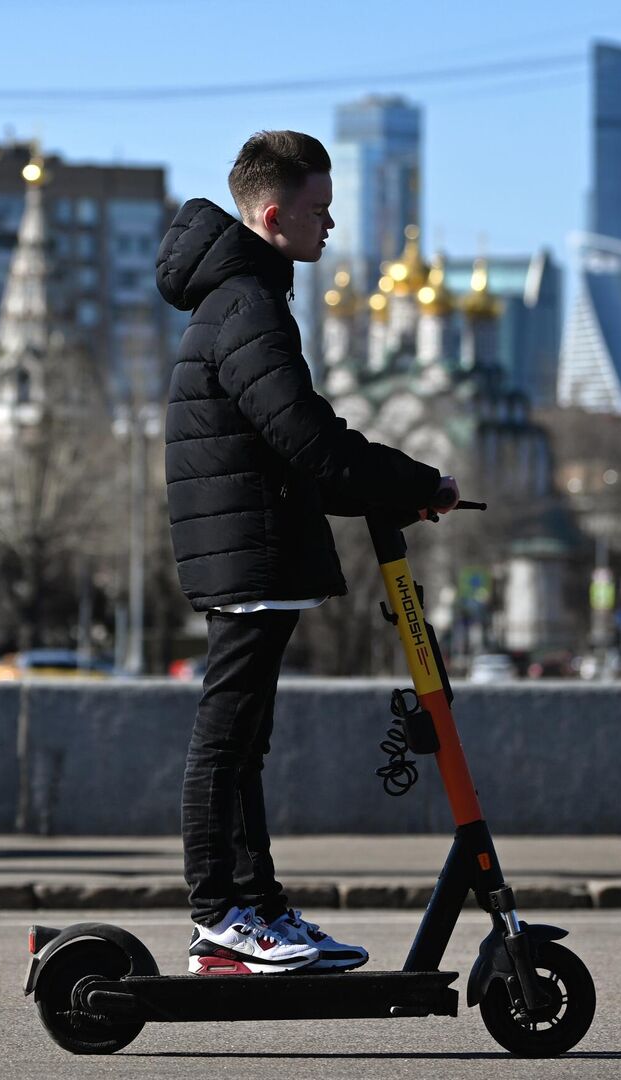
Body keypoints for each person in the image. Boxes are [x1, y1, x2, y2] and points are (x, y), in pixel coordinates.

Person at [155, 131, 458, 975]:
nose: (332, 226)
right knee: (228, 736)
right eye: (321, 210)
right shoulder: (247, 304)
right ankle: (222, 912)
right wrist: (414, 478)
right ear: (275, 212)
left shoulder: (243, 296)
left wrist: (401, 493)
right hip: (248, 548)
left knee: (244, 739)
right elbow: (311, 441)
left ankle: (258, 909)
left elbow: (298, 452)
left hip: (254, 541)